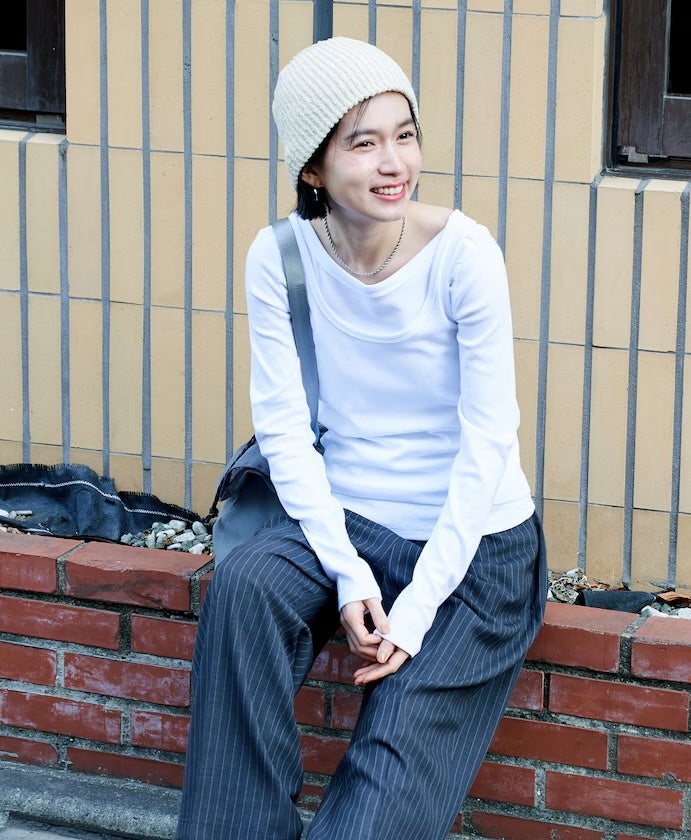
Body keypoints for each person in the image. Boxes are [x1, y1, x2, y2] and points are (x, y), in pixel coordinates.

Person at [176, 36, 547, 840]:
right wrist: (348, 576)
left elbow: (489, 443)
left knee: (376, 803)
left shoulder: (464, 255)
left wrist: (415, 612)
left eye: (404, 135)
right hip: (345, 520)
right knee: (244, 590)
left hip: (474, 550)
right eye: (363, 142)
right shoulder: (280, 257)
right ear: (313, 166)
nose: (394, 163)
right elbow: (283, 429)